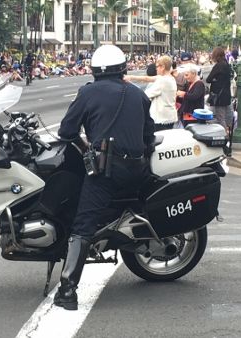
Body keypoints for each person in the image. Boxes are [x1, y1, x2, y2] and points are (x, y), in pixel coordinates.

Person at [55, 44, 155, 311]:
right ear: (123, 68)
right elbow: (149, 136)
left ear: (95, 70)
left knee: (83, 224)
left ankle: (67, 291)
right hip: (137, 169)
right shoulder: (138, 94)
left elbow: (66, 131)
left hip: (107, 171)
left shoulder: (88, 92)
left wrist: (87, 146)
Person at [125, 56, 177, 131]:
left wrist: (129, 84)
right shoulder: (169, 78)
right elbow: (147, 78)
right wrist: (130, 77)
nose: (156, 69)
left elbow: (144, 95)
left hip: (161, 119)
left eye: (157, 66)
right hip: (168, 117)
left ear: (162, 67)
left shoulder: (162, 81)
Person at [206, 47, 233, 132]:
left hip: (219, 96)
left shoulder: (218, 66)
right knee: (225, 117)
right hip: (226, 94)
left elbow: (208, 79)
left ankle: (225, 136)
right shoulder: (227, 64)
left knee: (220, 118)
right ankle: (227, 132)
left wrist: (215, 80)